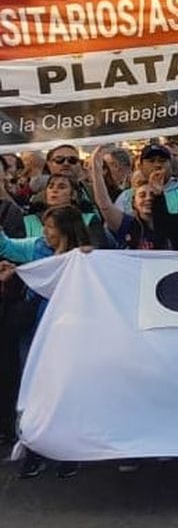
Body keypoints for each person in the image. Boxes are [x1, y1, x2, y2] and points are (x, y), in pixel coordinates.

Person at [0, 205, 94, 478]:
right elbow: (5, 245)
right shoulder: (36, 247)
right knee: (35, 393)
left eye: (50, 226)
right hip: (36, 332)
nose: (45, 231)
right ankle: (35, 450)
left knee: (66, 393)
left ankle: (68, 452)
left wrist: (90, 258)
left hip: (71, 335)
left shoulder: (87, 256)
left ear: (66, 229)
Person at [112, 143, 178, 217]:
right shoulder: (126, 197)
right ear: (141, 167)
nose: (157, 165)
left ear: (170, 165)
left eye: (162, 161)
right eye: (151, 161)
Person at [23, 173, 106, 249]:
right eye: (50, 187)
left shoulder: (89, 219)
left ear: (73, 195)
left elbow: (94, 250)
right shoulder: (28, 221)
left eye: (61, 187)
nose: (54, 190)